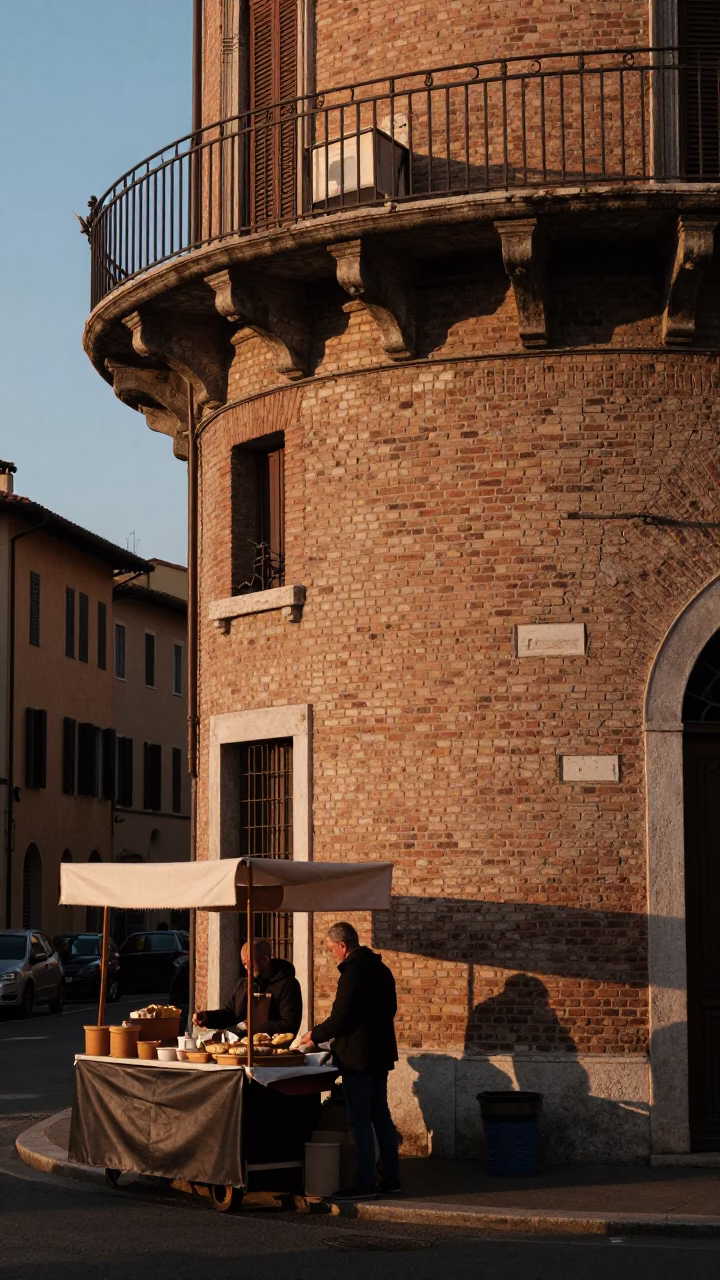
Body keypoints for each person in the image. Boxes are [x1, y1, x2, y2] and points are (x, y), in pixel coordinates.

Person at [301, 921, 400, 1200]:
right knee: (381, 1116)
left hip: (358, 1057)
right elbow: (390, 1009)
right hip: (380, 1053)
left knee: (360, 1120)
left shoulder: (352, 973)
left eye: (333, 950)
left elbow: (341, 1017)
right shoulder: (382, 969)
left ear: (343, 946)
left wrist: (314, 1035)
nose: (333, 955)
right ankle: (391, 1179)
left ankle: (365, 1182)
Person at [194, 938, 302, 1037]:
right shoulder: (243, 984)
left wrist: (254, 1028)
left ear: (265, 959)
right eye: (244, 964)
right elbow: (230, 1014)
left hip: (273, 1050)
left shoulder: (288, 985)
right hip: (241, 1046)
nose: (247, 968)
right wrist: (208, 1018)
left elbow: (289, 1024)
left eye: (251, 963)